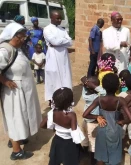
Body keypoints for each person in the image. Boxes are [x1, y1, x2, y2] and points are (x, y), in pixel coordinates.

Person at [0, 23, 42, 160]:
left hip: (23, 89)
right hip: (13, 92)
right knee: (15, 118)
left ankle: (18, 139)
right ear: (12, 36)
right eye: (21, 36)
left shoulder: (17, 48)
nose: (23, 39)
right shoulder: (5, 50)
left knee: (22, 116)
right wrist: (5, 81)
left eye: (24, 36)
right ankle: (16, 151)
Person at [83, 73, 131, 165]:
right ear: (118, 86)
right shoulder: (120, 100)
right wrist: (121, 121)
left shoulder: (99, 99)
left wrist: (97, 117)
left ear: (104, 86)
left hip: (102, 129)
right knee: (113, 156)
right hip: (115, 130)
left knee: (101, 157)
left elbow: (85, 114)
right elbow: (130, 118)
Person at [40, 87, 85, 165]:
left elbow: (42, 125)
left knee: (55, 160)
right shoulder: (71, 115)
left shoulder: (52, 112)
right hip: (70, 143)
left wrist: (54, 128)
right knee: (70, 161)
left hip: (57, 140)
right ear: (70, 102)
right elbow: (75, 132)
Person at [43, 10, 73, 103]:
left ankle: (66, 98)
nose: (60, 20)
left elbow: (70, 42)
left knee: (65, 76)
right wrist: (63, 41)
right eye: (57, 18)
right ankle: (53, 99)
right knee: (53, 76)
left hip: (63, 56)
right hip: (53, 56)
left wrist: (59, 43)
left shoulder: (63, 29)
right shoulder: (47, 29)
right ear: (51, 18)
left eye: (61, 18)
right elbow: (54, 42)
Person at [81, 76, 106, 165]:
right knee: (93, 145)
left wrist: (87, 83)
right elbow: (104, 92)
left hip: (84, 122)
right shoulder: (96, 97)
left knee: (85, 140)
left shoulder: (85, 93)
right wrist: (93, 85)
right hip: (92, 123)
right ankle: (92, 161)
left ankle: (84, 154)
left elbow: (83, 79)